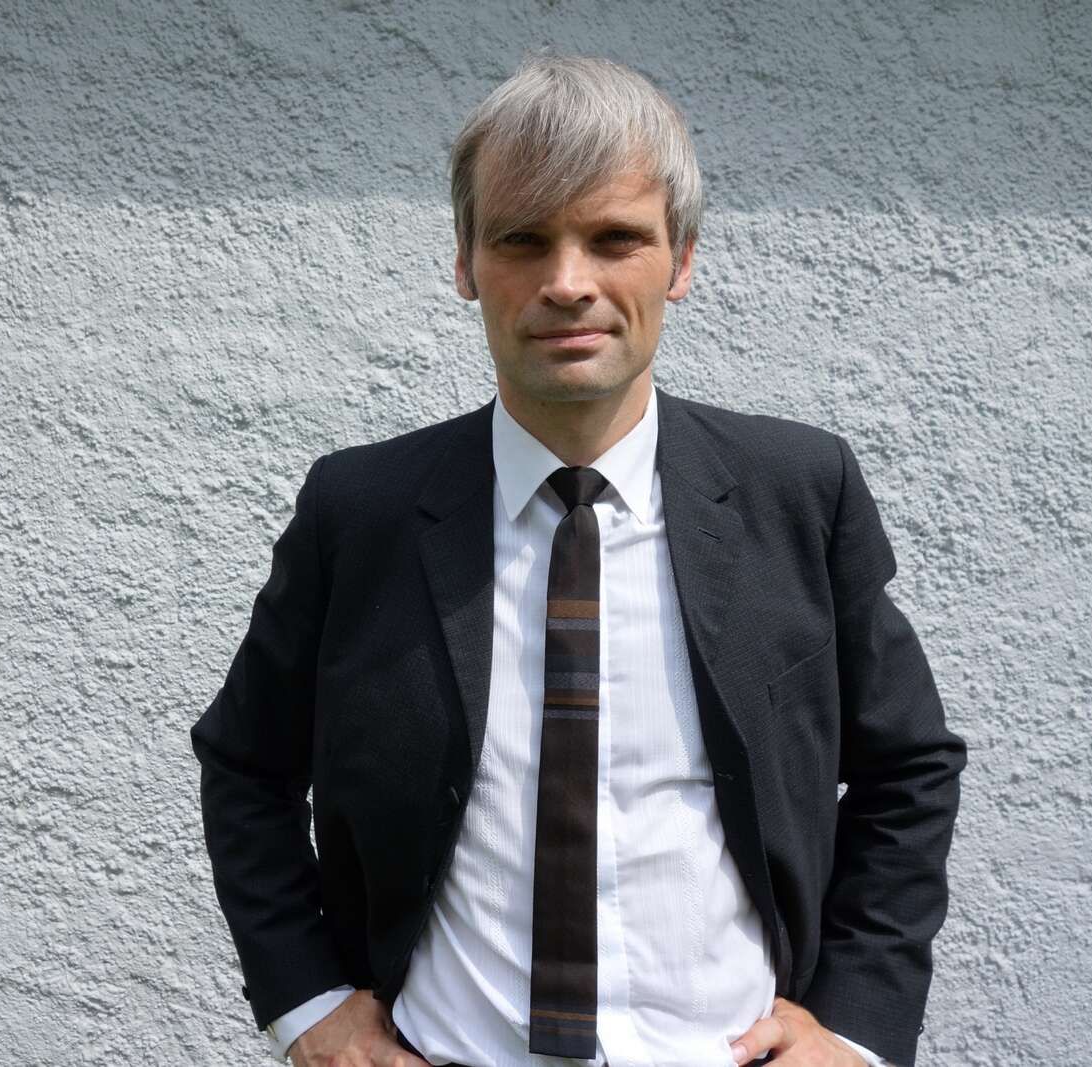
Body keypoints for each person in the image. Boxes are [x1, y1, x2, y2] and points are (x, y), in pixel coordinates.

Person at [191, 53, 965, 1067]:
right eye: (522, 238)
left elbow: (908, 767)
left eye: (614, 239)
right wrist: (311, 1007)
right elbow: (245, 765)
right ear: (465, 262)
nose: (568, 283)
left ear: (680, 260)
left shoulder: (798, 493)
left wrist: (856, 1028)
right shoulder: (361, 512)